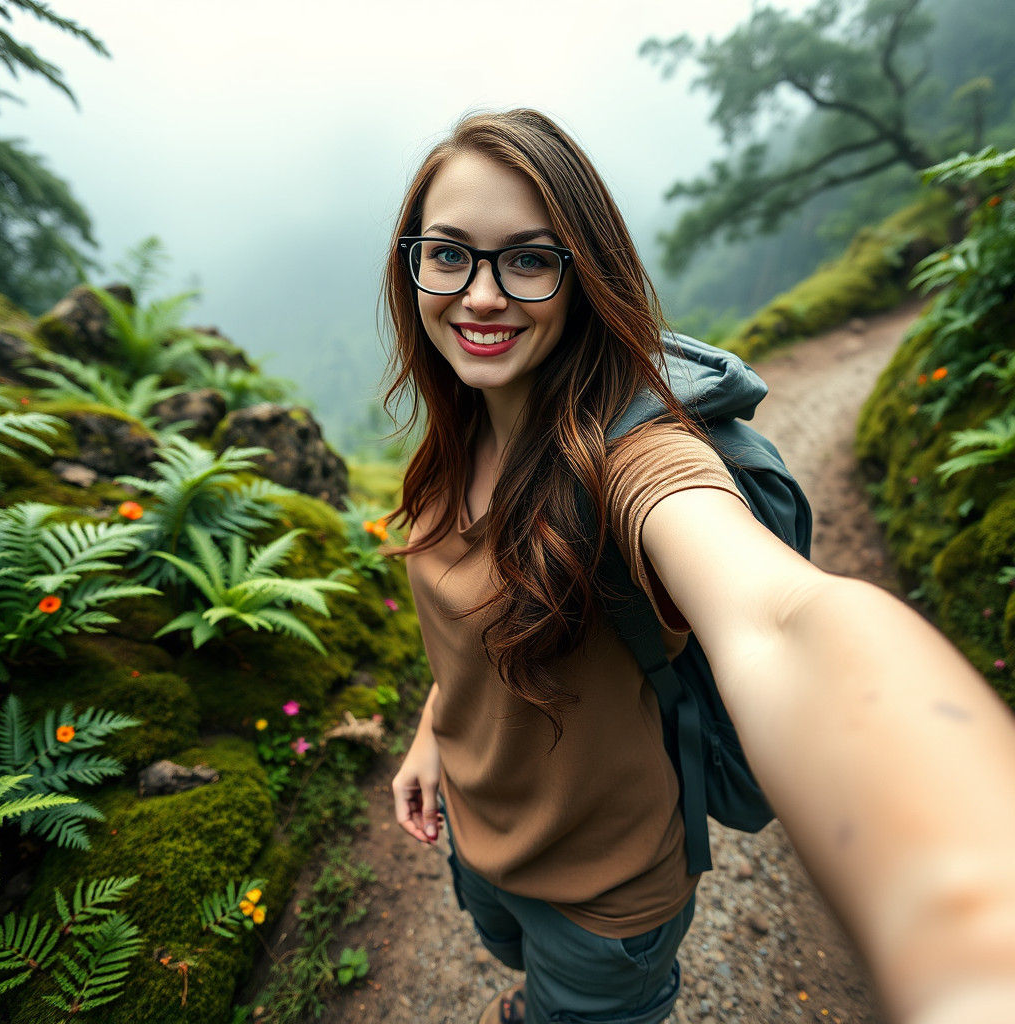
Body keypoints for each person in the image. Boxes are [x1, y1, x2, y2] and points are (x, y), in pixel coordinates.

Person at [383, 108, 1015, 1024]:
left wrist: (969, 920)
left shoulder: (634, 460)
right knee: (513, 968)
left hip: (607, 903)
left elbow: (780, 619)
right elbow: (473, 631)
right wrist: (431, 733)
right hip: (479, 844)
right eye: (448, 253)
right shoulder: (456, 428)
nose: (480, 295)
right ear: (414, 264)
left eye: (528, 258)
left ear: (582, 274)